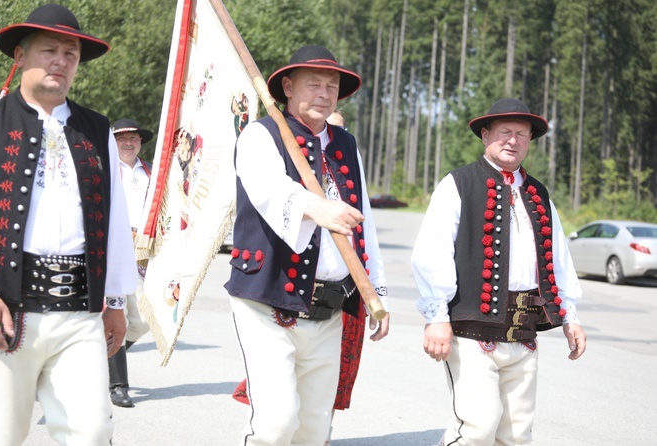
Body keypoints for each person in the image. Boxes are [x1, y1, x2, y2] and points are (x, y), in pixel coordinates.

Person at [224, 44, 390, 445]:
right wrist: (317, 207)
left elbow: (362, 221)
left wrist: (375, 292)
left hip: (329, 307)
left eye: (331, 85)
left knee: (315, 428)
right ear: (287, 86)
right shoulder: (259, 135)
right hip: (268, 302)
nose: (324, 93)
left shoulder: (345, 143)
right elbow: (268, 189)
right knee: (276, 424)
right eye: (313, 83)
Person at [0, 4, 136, 445]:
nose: (61, 61)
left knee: (91, 433)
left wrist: (115, 301)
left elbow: (114, 218)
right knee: (0, 436)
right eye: (49, 50)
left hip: (79, 314)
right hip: (8, 308)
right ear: (19, 57)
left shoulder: (97, 129)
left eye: (70, 54)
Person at [411, 98, 587, 445]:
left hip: (524, 334)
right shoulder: (459, 183)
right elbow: (432, 252)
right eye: (505, 131)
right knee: (477, 427)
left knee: (516, 434)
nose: (513, 140)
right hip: (471, 332)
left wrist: (571, 316)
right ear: (485, 135)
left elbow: (558, 258)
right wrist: (436, 316)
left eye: (522, 134)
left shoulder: (538, 193)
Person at [108, 118, 154, 407]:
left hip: (144, 254)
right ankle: (118, 385)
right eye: (122, 138)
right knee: (119, 316)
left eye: (133, 138)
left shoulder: (153, 171)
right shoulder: (104, 170)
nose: (128, 142)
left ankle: (103, 356)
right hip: (114, 251)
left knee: (145, 320)